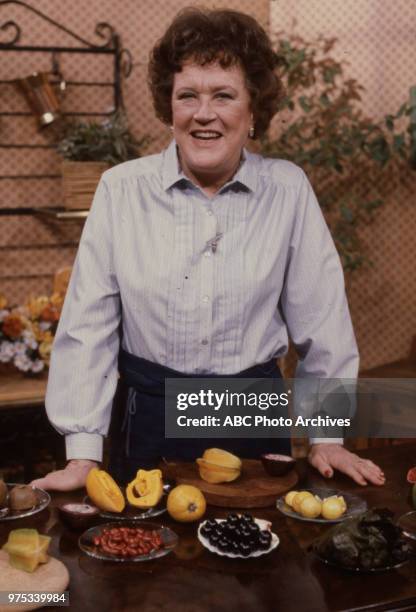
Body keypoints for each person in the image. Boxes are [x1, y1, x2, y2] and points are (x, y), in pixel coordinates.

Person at [32, 8, 385, 491]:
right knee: (144, 560)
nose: (204, 113)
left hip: (252, 421)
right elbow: (87, 330)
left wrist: (326, 436)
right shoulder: (120, 190)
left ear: (253, 108)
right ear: (168, 106)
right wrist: (83, 456)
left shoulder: (288, 190)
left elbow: (324, 328)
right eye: (188, 96)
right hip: (148, 420)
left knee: (256, 561)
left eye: (224, 95)